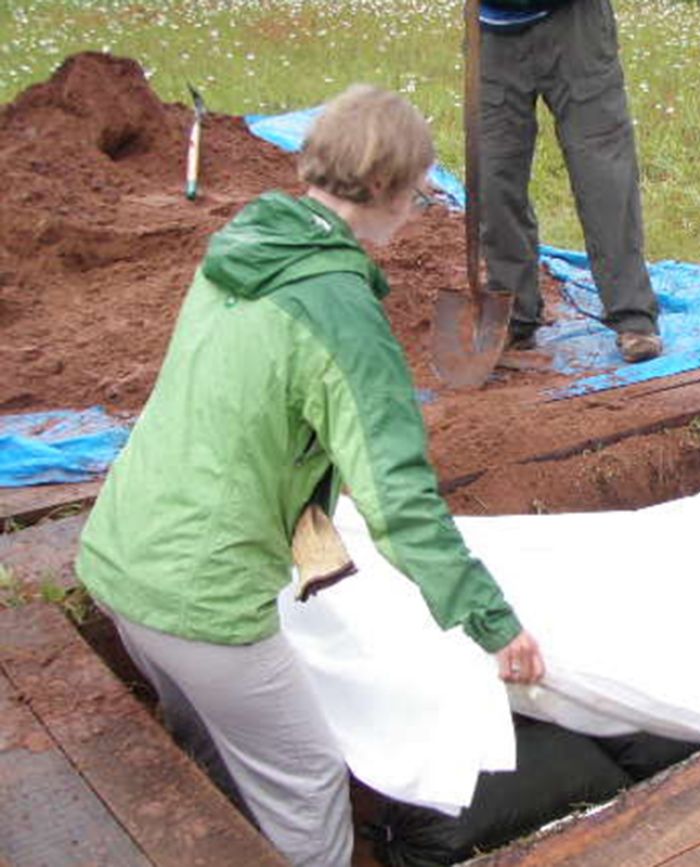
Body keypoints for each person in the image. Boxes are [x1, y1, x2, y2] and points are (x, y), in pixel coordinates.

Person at [75, 85, 546, 866]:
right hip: (201, 600)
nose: (418, 211)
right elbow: (400, 505)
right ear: (394, 191)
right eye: (424, 195)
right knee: (308, 780)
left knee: (209, 755)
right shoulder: (340, 317)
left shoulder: (249, 243)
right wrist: (493, 622)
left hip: (118, 558)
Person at [478, 0, 663, 363]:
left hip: (574, 24)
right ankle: (512, 316)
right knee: (493, 177)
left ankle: (633, 317)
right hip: (494, 32)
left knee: (603, 174)